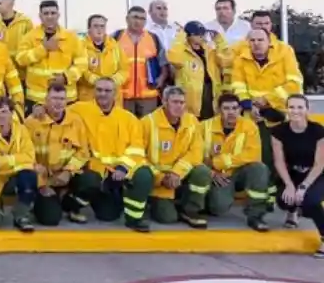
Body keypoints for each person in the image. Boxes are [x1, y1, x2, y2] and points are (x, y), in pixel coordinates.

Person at [71, 77, 154, 232]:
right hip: (97, 172)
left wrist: (123, 167)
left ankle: (134, 219)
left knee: (144, 175)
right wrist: (38, 106)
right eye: (99, 90)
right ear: (93, 91)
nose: (103, 94)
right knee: (108, 215)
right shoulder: (79, 109)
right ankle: (75, 204)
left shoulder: (128, 118)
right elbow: (57, 110)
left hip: (122, 171)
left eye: (107, 91)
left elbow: (137, 148)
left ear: (115, 93)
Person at [231, 27, 302, 204]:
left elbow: (294, 84)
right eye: (252, 40)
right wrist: (249, 106)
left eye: (260, 40)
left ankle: (289, 196)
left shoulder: (284, 55)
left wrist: (267, 99)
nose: (256, 44)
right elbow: (237, 86)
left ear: (269, 42)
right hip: (254, 117)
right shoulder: (241, 59)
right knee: (263, 157)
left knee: (285, 158)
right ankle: (266, 197)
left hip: (280, 115)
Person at [141, 86, 212, 229]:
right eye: (174, 102)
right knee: (168, 218)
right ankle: (157, 203)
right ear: (164, 102)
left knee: (202, 171)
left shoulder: (192, 121)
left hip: (181, 176)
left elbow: (196, 153)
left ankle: (191, 211)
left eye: (182, 102)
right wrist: (161, 178)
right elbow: (139, 157)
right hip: (159, 182)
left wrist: (176, 172)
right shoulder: (147, 123)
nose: (179, 106)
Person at [203, 93, 270, 232]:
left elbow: (253, 155)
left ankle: (255, 215)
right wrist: (212, 173)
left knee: (260, 168)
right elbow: (195, 155)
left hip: (240, 173)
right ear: (218, 110)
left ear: (240, 109)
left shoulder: (249, 127)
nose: (231, 112)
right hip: (217, 176)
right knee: (219, 208)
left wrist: (222, 161)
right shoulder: (204, 127)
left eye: (234, 108)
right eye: (226, 108)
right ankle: (209, 202)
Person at [27, 83, 90, 226]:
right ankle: (41, 200)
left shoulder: (75, 121)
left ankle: (71, 205)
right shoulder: (32, 122)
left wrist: (69, 171)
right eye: (54, 98)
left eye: (61, 99)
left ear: (66, 101)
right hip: (43, 180)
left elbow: (83, 153)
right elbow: (25, 155)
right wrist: (42, 184)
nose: (58, 102)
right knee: (51, 219)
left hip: (66, 177)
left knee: (91, 180)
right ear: (46, 100)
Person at [270, 94, 324, 255]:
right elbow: (279, 162)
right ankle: (292, 212)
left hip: (316, 173)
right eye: (291, 107)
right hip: (293, 172)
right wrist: (289, 185)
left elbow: (319, 163)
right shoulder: (278, 131)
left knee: (309, 201)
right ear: (286, 109)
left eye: (300, 107)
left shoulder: (318, 131)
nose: (295, 111)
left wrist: (303, 187)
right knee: (283, 199)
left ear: (308, 109)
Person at [0, 96, 37, 232]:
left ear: (11, 113)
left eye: (4, 111)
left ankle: (21, 215)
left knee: (29, 176)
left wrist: (3, 161)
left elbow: (29, 156)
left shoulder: (22, 130)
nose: (1, 115)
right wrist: (17, 161)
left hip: (16, 178)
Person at [17, 0, 87, 114]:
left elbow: (82, 63)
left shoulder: (71, 37)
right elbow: (20, 59)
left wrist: (66, 77)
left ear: (58, 15)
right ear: (40, 16)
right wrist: (43, 49)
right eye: (46, 13)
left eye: (53, 13)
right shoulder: (30, 37)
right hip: (37, 99)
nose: (50, 17)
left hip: (65, 98)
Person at [113, 6, 167, 119]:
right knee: (125, 128)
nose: (138, 21)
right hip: (123, 95)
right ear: (127, 19)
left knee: (147, 129)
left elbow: (163, 62)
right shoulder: (116, 37)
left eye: (142, 18)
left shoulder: (153, 38)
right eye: (135, 17)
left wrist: (161, 78)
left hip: (148, 95)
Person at [167, 21, 227, 120]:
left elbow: (226, 61)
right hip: (190, 100)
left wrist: (220, 41)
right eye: (198, 34)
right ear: (189, 35)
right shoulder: (182, 51)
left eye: (203, 33)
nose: (202, 36)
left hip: (210, 96)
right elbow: (174, 60)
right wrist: (180, 38)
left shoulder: (209, 50)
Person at [0, 0, 34, 85]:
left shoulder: (25, 23)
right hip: (1, 75)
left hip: (21, 74)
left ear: (10, 4)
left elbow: (31, 46)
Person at [79, 14, 127, 106]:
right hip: (89, 98)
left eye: (102, 26)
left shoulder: (115, 46)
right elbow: (80, 70)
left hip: (113, 99)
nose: (99, 29)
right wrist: (98, 82)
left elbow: (124, 69)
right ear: (89, 29)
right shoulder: (80, 47)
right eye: (96, 26)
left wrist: (112, 81)